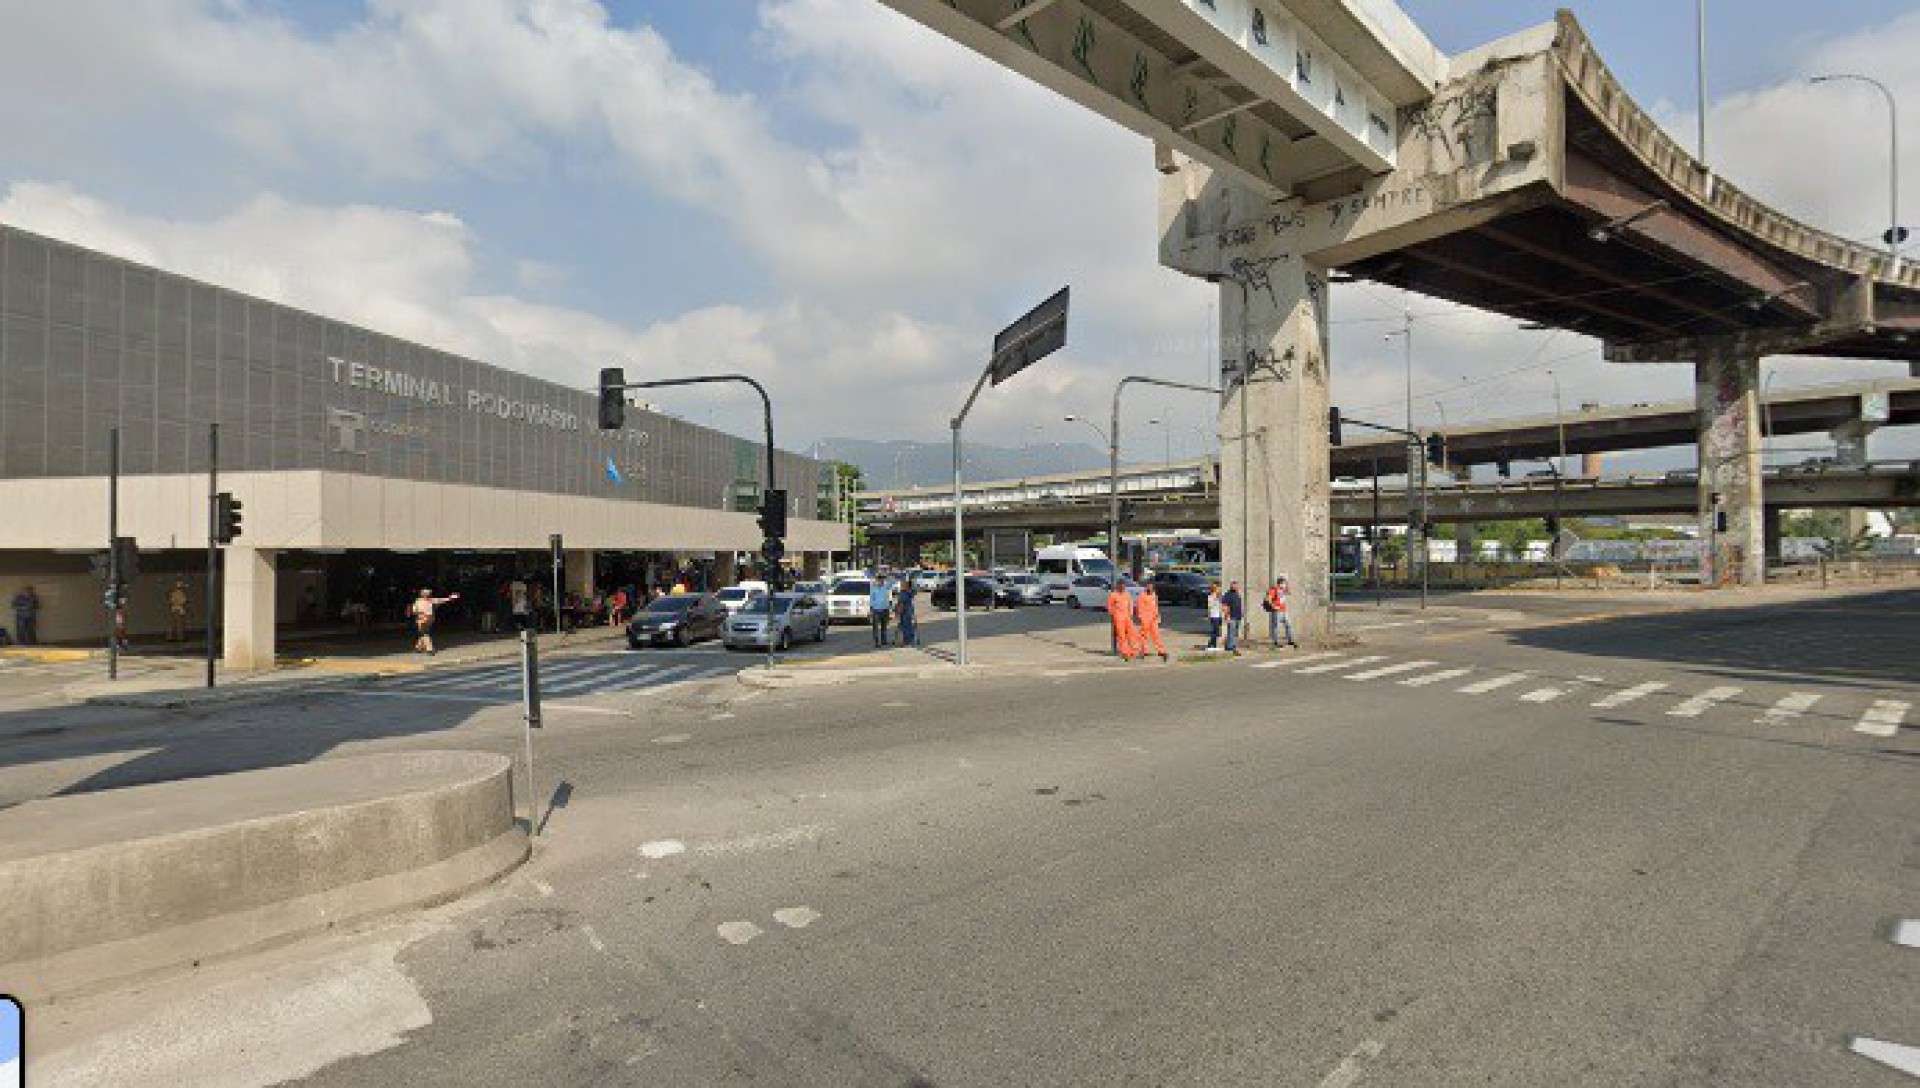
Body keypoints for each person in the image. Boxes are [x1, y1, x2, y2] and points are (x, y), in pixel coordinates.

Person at [409, 588, 459, 654]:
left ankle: (426, 649)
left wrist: (451, 597)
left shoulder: (425, 601)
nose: (428, 595)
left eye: (428, 593)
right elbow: (414, 611)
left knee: (424, 633)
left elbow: (443, 600)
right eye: (427, 593)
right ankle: (421, 648)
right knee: (424, 633)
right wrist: (451, 597)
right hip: (426, 619)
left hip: (425, 619)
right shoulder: (424, 601)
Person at [1106, 581, 1142, 661]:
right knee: (1121, 636)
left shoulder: (1127, 594)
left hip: (1127, 617)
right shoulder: (1113, 595)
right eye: (1121, 586)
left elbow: (1130, 604)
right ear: (1117, 586)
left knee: (1132, 634)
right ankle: (1125, 652)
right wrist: (1114, 614)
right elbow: (1109, 607)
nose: (1122, 588)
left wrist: (1131, 613)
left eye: (1124, 586)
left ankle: (1134, 651)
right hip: (1118, 618)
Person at [1135, 581, 1168, 662]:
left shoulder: (1154, 595)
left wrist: (1157, 616)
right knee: (1143, 636)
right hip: (1145, 619)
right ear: (1146, 587)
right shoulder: (1142, 596)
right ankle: (1143, 651)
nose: (1150, 588)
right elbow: (1138, 608)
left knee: (1156, 635)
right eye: (1148, 586)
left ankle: (1161, 651)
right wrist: (1141, 617)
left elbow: (1156, 607)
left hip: (1154, 619)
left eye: (1151, 587)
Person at [1264, 575, 1298, 650]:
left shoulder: (1283, 590)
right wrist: (1273, 606)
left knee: (1288, 625)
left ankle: (1290, 640)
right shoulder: (1274, 589)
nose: (1284, 584)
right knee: (1276, 627)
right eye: (1283, 583)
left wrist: (1287, 583)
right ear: (1280, 583)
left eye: (1284, 583)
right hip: (1277, 611)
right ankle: (1275, 642)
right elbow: (1267, 599)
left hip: (1283, 611)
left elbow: (1290, 592)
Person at [869, 574, 894, 647]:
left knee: (884, 626)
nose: (881, 581)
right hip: (876, 610)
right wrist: (871, 610)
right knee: (876, 627)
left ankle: (884, 641)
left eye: (882, 580)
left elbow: (893, 581)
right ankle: (876, 642)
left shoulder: (885, 586)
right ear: (877, 580)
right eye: (879, 580)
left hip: (885, 609)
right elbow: (871, 599)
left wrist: (887, 576)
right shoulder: (873, 588)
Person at [1221, 580, 1245, 655]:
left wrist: (1242, 614)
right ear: (1231, 586)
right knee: (1231, 632)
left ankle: (1231, 645)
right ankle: (1230, 647)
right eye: (1234, 585)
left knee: (1235, 632)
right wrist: (1227, 615)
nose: (1236, 587)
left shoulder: (1237, 594)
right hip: (1231, 616)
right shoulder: (1228, 594)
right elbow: (1225, 606)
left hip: (1238, 616)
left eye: (1236, 585)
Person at [895, 575, 918, 648]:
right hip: (909, 611)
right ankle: (911, 640)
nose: (901, 584)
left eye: (902, 583)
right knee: (909, 626)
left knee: (905, 627)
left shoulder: (903, 593)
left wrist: (897, 612)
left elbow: (901, 604)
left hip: (904, 612)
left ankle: (907, 642)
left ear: (906, 585)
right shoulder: (909, 592)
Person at [1204, 583, 1223, 651]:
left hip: (1219, 615)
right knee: (1216, 631)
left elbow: (1221, 605)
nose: (1218, 589)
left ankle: (1214, 645)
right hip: (1214, 616)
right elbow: (1210, 606)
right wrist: (1208, 616)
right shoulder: (1211, 597)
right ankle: (1210, 644)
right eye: (1217, 588)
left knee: (1217, 631)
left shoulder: (1219, 596)